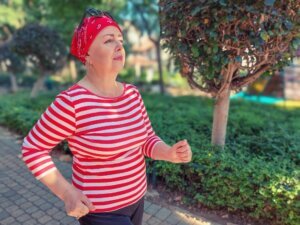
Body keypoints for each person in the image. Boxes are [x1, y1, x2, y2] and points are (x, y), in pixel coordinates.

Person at [21, 7, 192, 225]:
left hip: (137, 200)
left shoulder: (132, 94)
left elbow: (146, 139)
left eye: (120, 39)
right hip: (100, 211)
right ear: (88, 54)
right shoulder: (71, 102)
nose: (119, 44)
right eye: (108, 40)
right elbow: (33, 149)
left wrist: (168, 152)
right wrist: (67, 193)